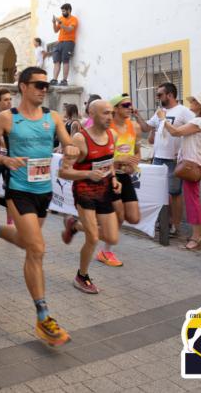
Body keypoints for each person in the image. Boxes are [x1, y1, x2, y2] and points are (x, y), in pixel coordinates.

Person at [0, 66, 76, 346]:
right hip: (19, 191)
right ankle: (43, 316)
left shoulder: (53, 117)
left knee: (26, 242)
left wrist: (72, 150)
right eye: (37, 84)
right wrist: (4, 160)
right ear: (23, 86)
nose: (43, 89)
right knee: (36, 249)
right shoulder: (6, 119)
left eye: (46, 85)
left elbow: (70, 145)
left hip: (43, 192)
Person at [60, 100, 122, 293]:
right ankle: (82, 276)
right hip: (84, 190)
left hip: (103, 190)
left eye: (111, 113)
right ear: (92, 115)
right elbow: (63, 172)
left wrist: (113, 178)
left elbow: (108, 161)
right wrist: (87, 174)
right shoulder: (80, 139)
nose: (110, 117)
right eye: (105, 113)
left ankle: (75, 225)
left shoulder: (113, 134)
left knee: (112, 237)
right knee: (93, 238)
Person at [135, 82, 194, 237]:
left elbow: (193, 131)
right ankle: (163, 222)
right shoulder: (160, 111)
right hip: (158, 158)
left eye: (160, 94)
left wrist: (185, 152)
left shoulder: (184, 111)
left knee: (174, 193)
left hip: (174, 159)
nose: (157, 97)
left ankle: (176, 225)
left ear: (170, 95)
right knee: (158, 193)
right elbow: (146, 128)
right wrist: (137, 115)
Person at [158, 92, 201, 250]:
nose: (192, 102)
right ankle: (200, 234)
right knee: (193, 199)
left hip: (192, 164)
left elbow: (176, 132)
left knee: (192, 201)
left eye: (195, 100)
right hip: (193, 163)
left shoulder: (200, 121)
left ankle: (196, 237)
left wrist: (163, 118)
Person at [105, 94, 142, 265]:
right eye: (125, 105)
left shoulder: (134, 126)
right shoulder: (107, 129)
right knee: (119, 216)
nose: (129, 107)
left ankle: (77, 225)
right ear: (116, 109)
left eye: (130, 105)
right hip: (108, 176)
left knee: (134, 218)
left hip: (125, 175)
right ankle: (107, 252)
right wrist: (119, 161)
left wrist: (133, 164)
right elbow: (100, 159)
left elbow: (137, 152)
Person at [50, 3, 78, 86]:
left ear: (69, 10)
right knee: (56, 61)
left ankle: (64, 80)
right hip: (60, 42)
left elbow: (69, 29)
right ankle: (54, 80)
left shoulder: (74, 19)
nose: (62, 13)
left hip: (69, 42)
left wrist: (61, 24)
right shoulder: (61, 18)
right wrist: (54, 23)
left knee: (65, 61)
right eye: (62, 11)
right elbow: (55, 31)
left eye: (64, 11)